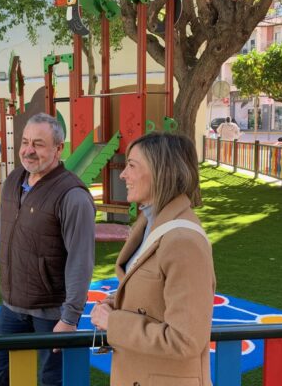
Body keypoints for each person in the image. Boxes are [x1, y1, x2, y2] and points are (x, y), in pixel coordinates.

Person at [0, 113, 96, 386]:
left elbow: (81, 262)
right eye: (25, 142)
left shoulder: (73, 196)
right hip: (13, 305)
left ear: (58, 149)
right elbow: (1, 231)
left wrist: (69, 318)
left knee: (51, 380)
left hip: (52, 311)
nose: (29, 150)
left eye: (39, 144)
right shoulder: (14, 179)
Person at [90, 133, 215, 386]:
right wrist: (115, 303)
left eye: (132, 166)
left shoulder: (183, 241)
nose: (123, 175)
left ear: (161, 172)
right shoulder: (148, 223)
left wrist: (114, 322)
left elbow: (185, 339)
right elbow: (151, 294)